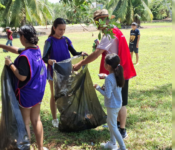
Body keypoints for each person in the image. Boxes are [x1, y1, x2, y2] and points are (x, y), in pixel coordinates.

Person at [73, 9, 136, 139]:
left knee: (121, 102)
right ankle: (117, 123)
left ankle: (122, 130)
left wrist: (80, 64)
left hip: (120, 71)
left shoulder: (108, 34)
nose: (98, 25)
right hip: (119, 69)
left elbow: (96, 54)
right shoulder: (114, 29)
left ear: (102, 21)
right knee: (117, 98)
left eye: (98, 21)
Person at [0, 25, 48, 150]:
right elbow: (16, 49)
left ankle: (26, 147)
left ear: (22, 37)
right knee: (37, 120)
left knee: (25, 122)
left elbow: (22, 76)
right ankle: (40, 147)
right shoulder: (36, 50)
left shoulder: (24, 56)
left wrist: (10, 64)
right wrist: (0, 45)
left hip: (26, 94)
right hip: (38, 90)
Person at [42, 18, 87, 128]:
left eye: (64, 29)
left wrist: (81, 53)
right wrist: (49, 61)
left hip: (67, 70)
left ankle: (68, 114)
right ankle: (54, 119)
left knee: (68, 93)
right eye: (59, 29)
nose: (62, 32)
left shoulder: (66, 40)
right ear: (54, 28)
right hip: (54, 72)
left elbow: (74, 52)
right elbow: (43, 58)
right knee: (54, 95)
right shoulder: (49, 41)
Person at [94, 54, 127, 150]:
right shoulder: (117, 74)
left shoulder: (109, 78)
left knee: (113, 127)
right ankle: (112, 143)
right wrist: (106, 77)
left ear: (108, 66)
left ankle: (122, 147)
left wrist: (98, 88)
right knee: (110, 123)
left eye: (104, 62)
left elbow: (107, 95)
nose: (103, 63)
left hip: (112, 106)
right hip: (117, 104)